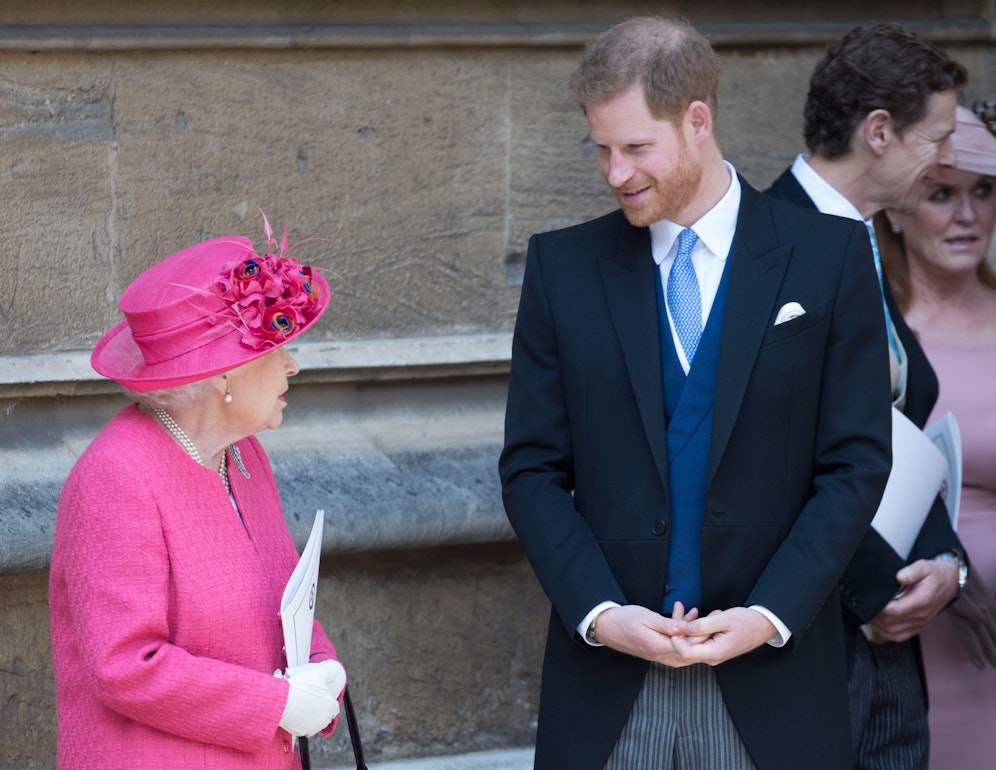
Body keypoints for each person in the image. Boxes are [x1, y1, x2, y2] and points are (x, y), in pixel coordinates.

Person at [498, 17, 892, 770]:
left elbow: (857, 463)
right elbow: (530, 469)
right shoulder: (562, 269)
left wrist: (770, 614)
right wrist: (600, 614)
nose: (615, 173)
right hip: (607, 689)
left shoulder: (829, 258)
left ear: (698, 121)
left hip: (776, 680)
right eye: (602, 149)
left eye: (636, 147)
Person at [49, 214, 347, 769]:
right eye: (276, 350)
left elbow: (283, 598)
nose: (292, 365)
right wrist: (277, 703)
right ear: (224, 375)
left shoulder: (243, 453)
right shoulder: (116, 476)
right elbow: (125, 664)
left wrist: (323, 666)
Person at [765, 22, 968, 770]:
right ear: (879, 132)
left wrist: (945, 564)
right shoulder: (763, 245)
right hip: (807, 651)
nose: (947, 160)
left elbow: (898, 434)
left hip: (890, 657)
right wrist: (871, 592)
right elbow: (765, 455)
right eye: (936, 138)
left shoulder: (868, 241)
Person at [876, 104, 996, 768]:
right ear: (896, 205)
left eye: (985, 191)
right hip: (900, 638)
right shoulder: (869, 335)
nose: (968, 215)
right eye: (942, 193)